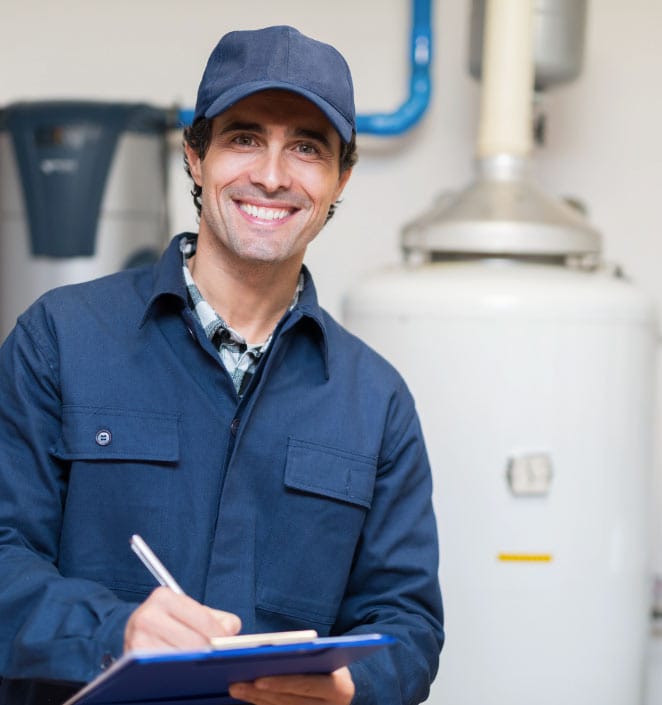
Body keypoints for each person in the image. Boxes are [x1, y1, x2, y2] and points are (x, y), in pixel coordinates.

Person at [0, 25, 444, 705]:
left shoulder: (375, 401)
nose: (271, 174)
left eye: (305, 147)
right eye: (243, 138)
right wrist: (114, 629)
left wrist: (353, 684)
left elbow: (408, 623)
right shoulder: (59, 338)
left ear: (339, 178)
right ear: (195, 155)